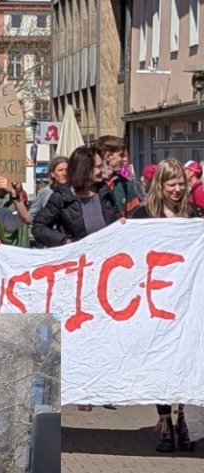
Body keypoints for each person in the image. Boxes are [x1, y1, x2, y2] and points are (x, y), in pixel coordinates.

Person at [132, 157, 201, 452]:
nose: (177, 189)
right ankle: (165, 422)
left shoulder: (193, 214)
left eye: (181, 184)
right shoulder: (143, 215)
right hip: (156, 301)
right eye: (172, 184)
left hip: (186, 301)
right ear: (159, 185)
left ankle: (183, 418)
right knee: (161, 362)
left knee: (185, 360)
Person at [32, 146, 121, 247]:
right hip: (79, 255)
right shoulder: (62, 197)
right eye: (98, 167)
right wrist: (64, 240)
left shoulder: (104, 192)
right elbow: (38, 227)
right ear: (85, 169)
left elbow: (116, 218)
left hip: (107, 253)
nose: (103, 170)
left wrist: (120, 223)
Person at [95, 135, 141, 216]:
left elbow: (135, 217)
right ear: (108, 156)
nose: (125, 159)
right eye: (121, 155)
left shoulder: (125, 184)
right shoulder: (91, 184)